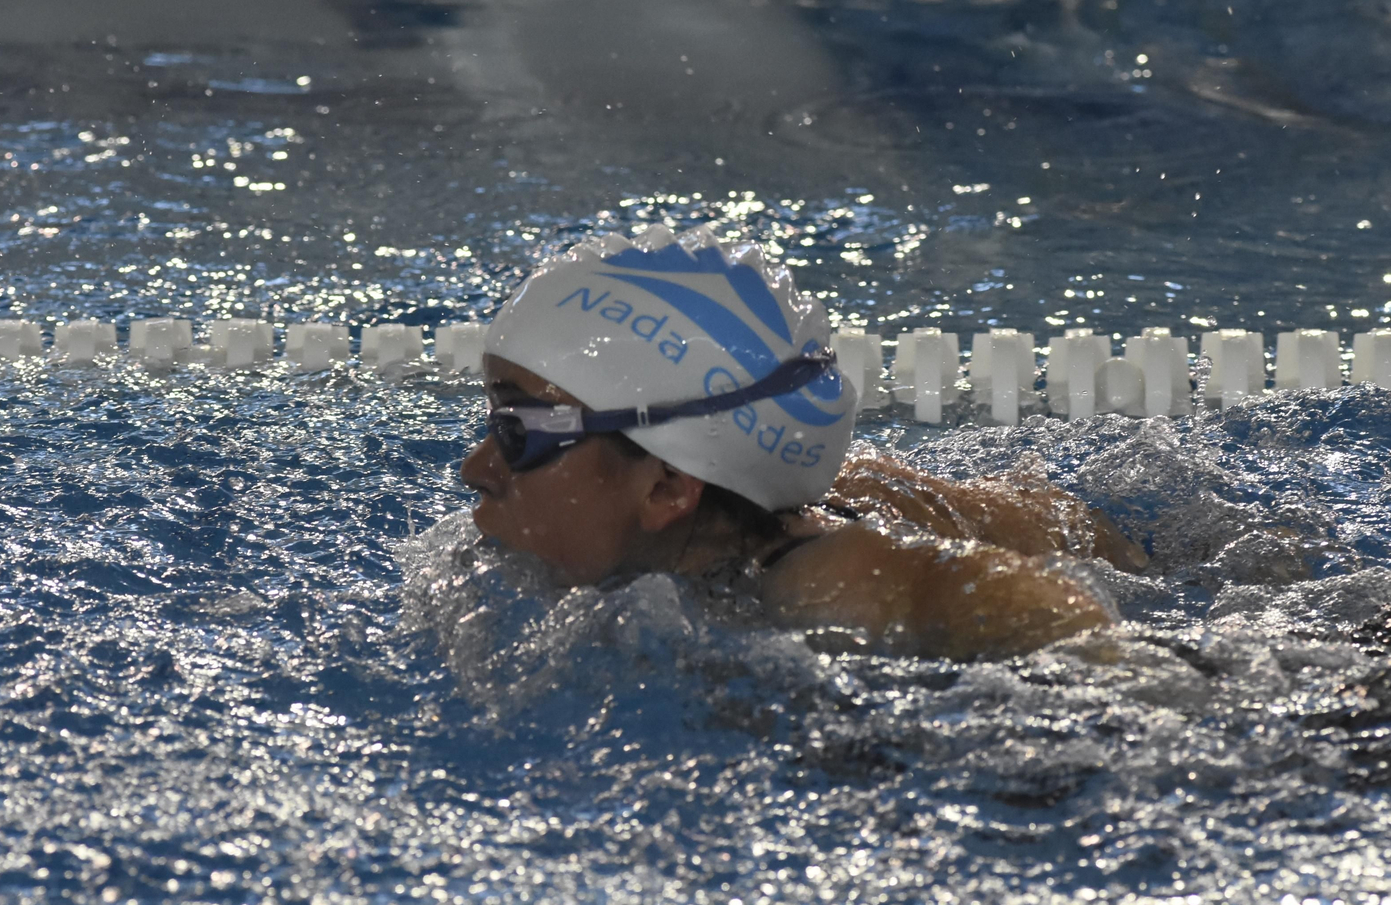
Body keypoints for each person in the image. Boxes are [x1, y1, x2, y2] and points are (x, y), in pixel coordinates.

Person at [458, 225, 1147, 661]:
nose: (475, 468)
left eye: (518, 433)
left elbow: (1061, 615)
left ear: (668, 486)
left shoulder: (835, 587)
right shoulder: (808, 505)